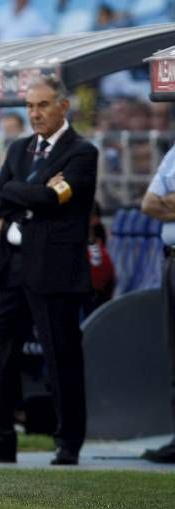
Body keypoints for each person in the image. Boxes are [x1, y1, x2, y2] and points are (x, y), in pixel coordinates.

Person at [0, 74, 98, 466]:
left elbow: (55, 199)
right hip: (11, 268)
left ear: (63, 107)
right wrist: (29, 194)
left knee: (61, 355)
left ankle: (68, 442)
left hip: (53, 270)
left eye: (43, 105)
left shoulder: (82, 152)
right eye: (30, 106)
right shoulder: (19, 149)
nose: (35, 113)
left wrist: (18, 193)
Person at [139, 144, 175, 463]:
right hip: (172, 261)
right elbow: (148, 203)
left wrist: (167, 202)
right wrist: (167, 203)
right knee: (174, 352)